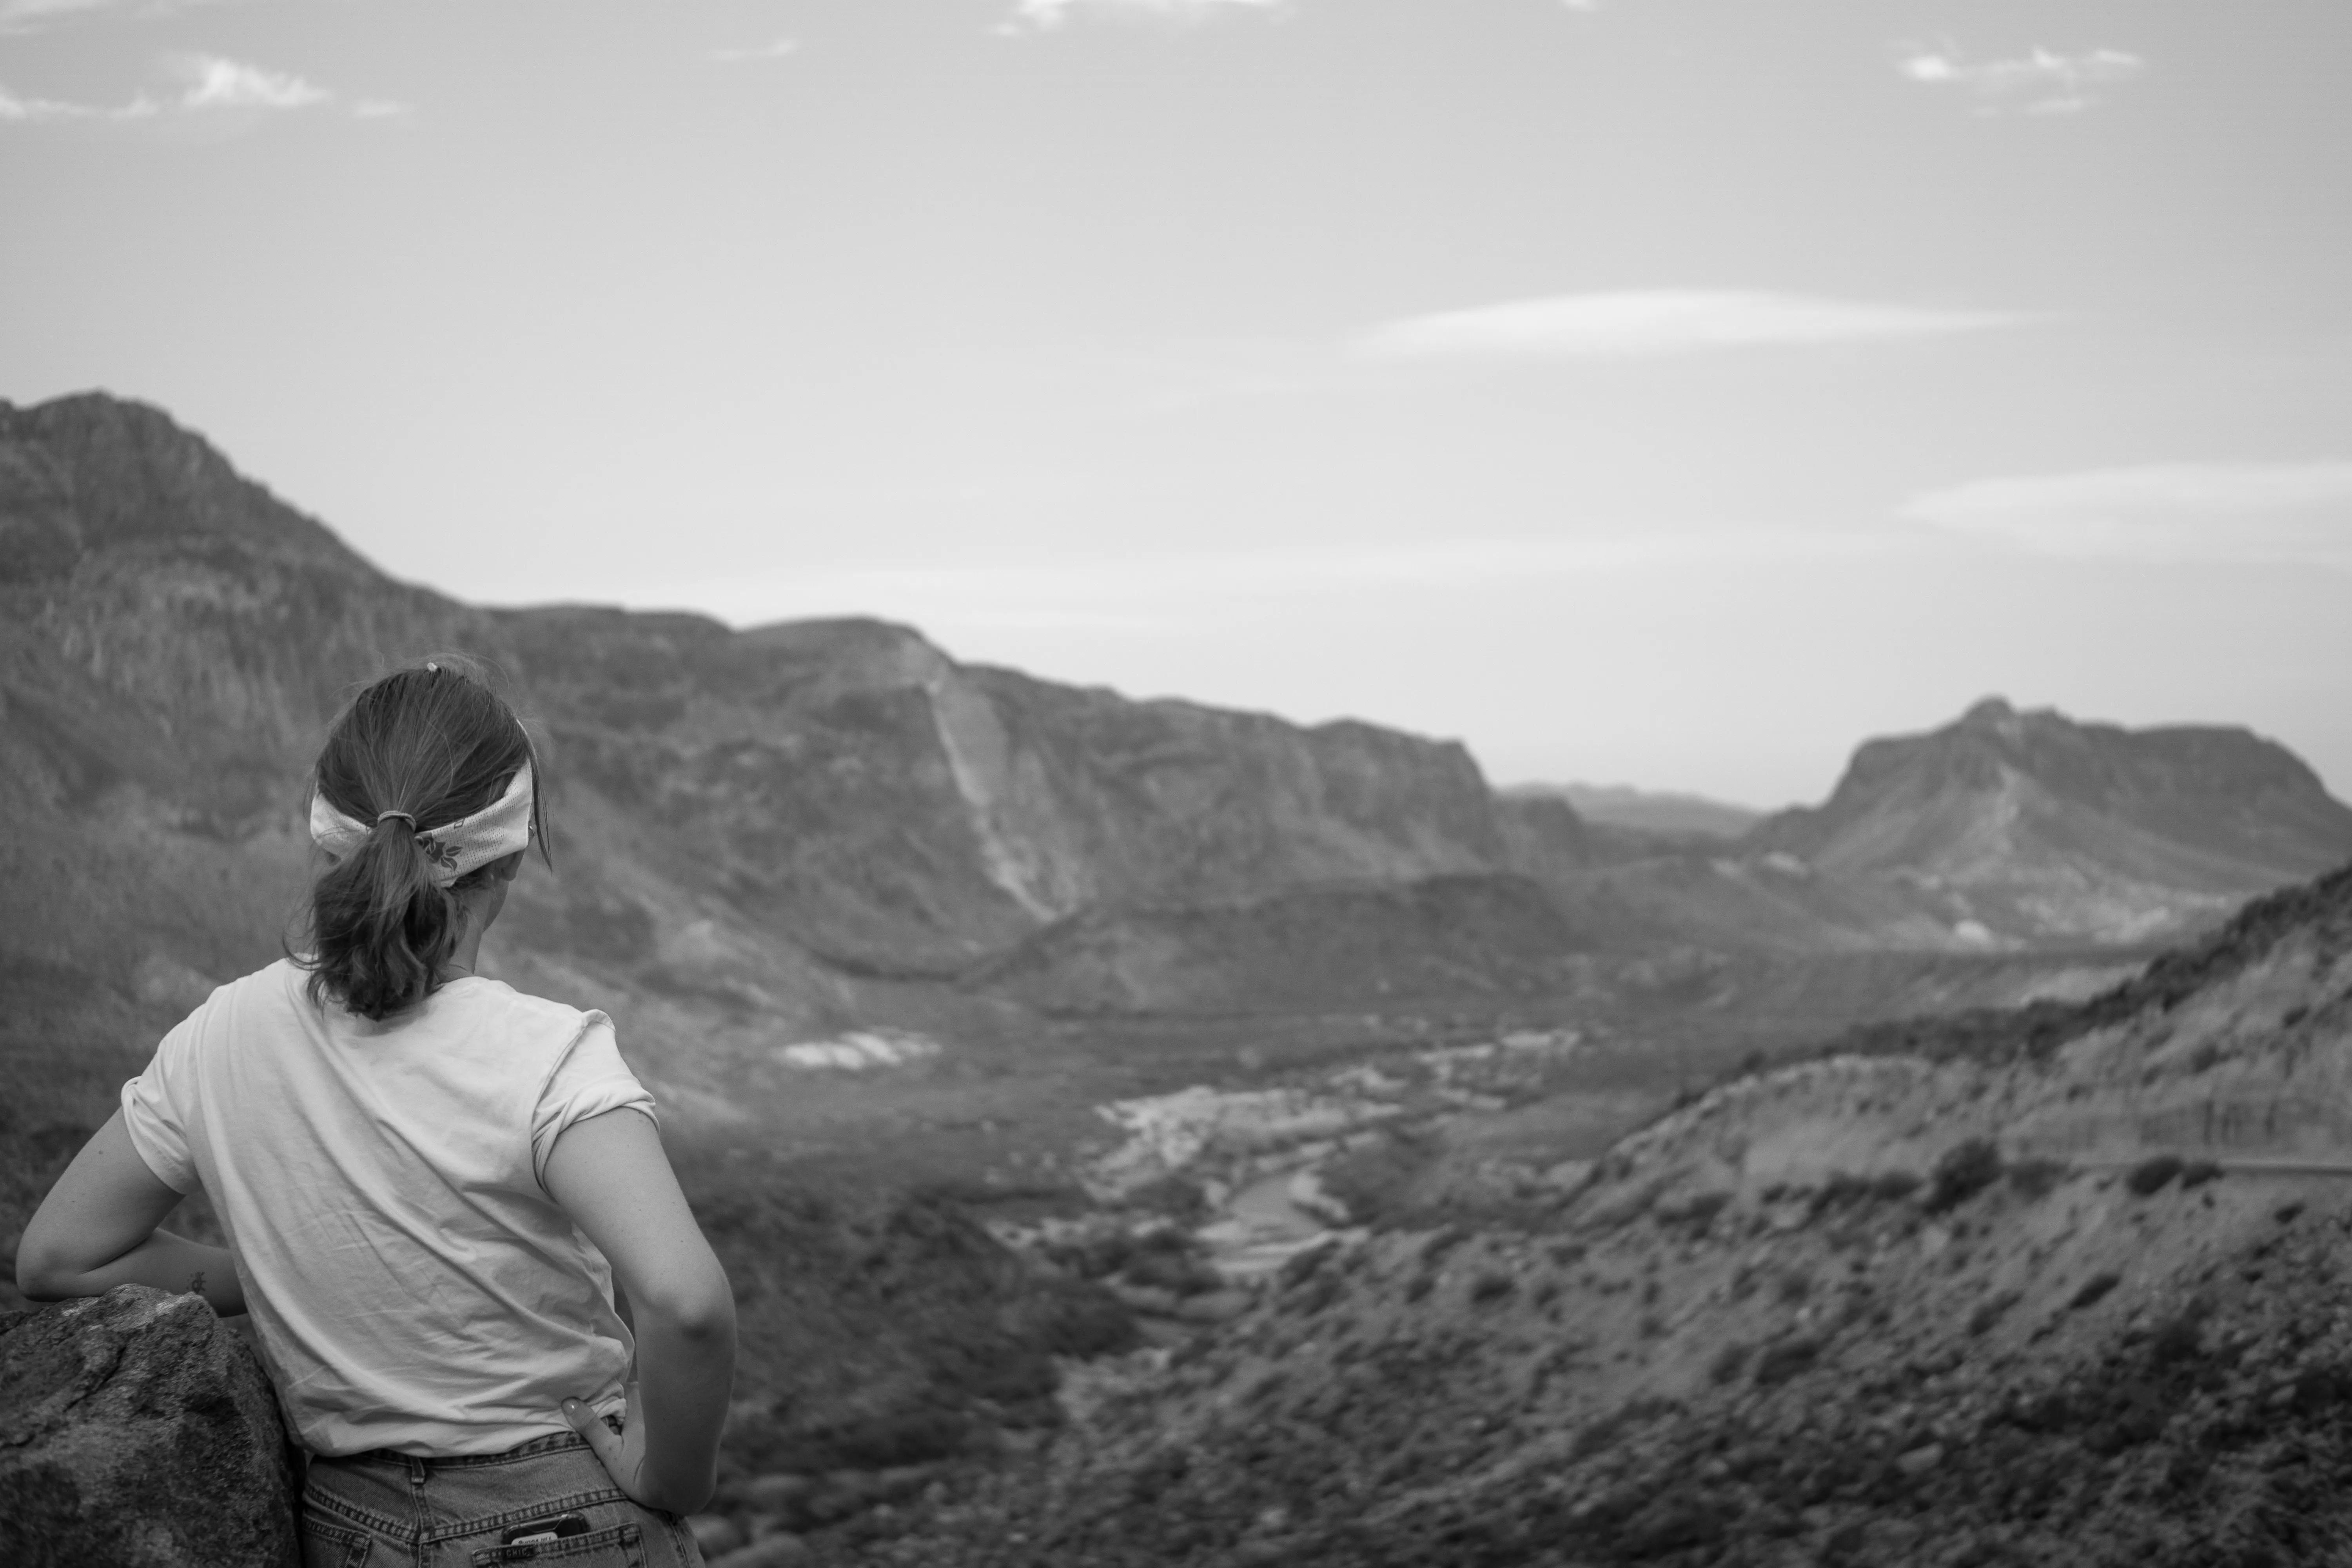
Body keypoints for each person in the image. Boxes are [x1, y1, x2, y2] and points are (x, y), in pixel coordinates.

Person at [15, 661, 735, 1566]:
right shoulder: (550, 1053)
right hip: (563, 1514)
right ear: (512, 852)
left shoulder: (219, 1033)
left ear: (324, 837)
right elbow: (689, 1303)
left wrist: (291, 1265)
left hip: (353, 1527)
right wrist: (672, 1480)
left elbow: (58, 1256)